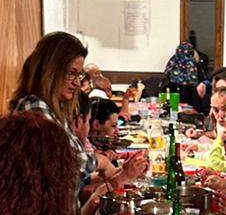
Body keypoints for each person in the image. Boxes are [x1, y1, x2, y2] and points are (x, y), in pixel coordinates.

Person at [11, 32, 145, 195]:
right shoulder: (33, 107)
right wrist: (101, 162)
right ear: (50, 71)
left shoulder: (53, 109)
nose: (76, 82)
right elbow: (64, 164)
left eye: (79, 75)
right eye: (70, 73)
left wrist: (125, 172)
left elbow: (75, 177)